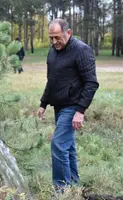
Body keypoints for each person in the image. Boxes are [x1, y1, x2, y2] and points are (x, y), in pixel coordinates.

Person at [37, 19, 99, 192]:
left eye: (57, 37)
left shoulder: (82, 50)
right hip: (59, 105)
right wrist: (43, 103)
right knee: (67, 147)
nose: (54, 42)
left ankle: (61, 190)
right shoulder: (53, 51)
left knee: (58, 144)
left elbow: (91, 83)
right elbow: (52, 80)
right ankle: (73, 186)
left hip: (73, 106)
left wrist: (80, 111)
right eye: (51, 38)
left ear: (69, 32)